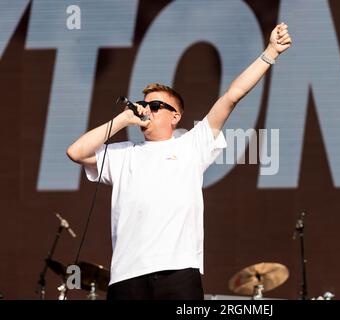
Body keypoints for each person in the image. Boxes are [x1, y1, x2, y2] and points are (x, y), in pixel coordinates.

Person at [66, 23, 292, 300]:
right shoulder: (123, 153)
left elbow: (232, 97)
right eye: (145, 103)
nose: (148, 109)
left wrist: (270, 52)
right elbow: (76, 152)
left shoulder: (191, 145)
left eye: (157, 106)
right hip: (127, 275)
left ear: (175, 116)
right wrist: (124, 118)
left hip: (178, 271)